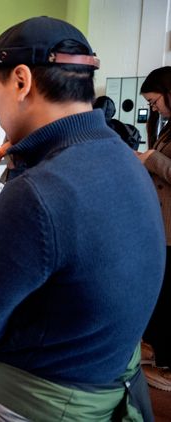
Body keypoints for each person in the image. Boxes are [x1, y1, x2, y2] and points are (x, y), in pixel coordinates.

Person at [0, 16, 163, 420]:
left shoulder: (39, 192)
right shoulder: (123, 160)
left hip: (42, 400)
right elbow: (14, 270)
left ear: (22, 81)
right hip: (103, 385)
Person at [138, 65, 171, 391]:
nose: (154, 108)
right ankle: (162, 354)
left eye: (155, 100)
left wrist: (150, 159)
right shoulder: (166, 127)